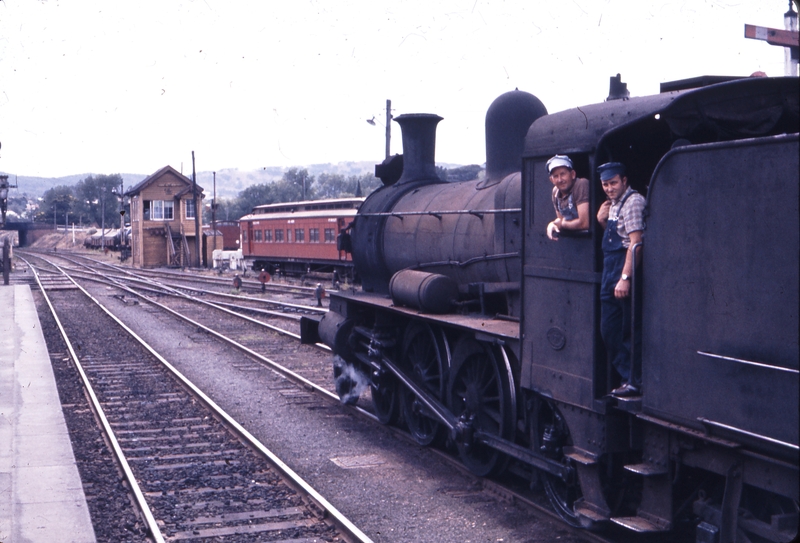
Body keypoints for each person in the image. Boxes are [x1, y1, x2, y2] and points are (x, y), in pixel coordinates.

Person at [596, 162, 645, 397]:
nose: (609, 188)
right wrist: (602, 220)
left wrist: (625, 277)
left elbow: (635, 243)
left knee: (628, 329)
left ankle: (634, 380)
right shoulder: (612, 204)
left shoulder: (633, 202)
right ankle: (627, 376)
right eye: (605, 184)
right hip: (609, 270)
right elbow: (616, 235)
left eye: (613, 182)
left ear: (624, 180)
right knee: (609, 329)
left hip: (623, 269)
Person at [545, 155, 590, 240]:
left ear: (572, 174)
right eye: (555, 176)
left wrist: (563, 225)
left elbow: (584, 223)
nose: (560, 179)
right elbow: (561, 219)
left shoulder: (581, 184)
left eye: (562, 174)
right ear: (551, 180)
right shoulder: (555, 192)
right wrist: (552, 224)